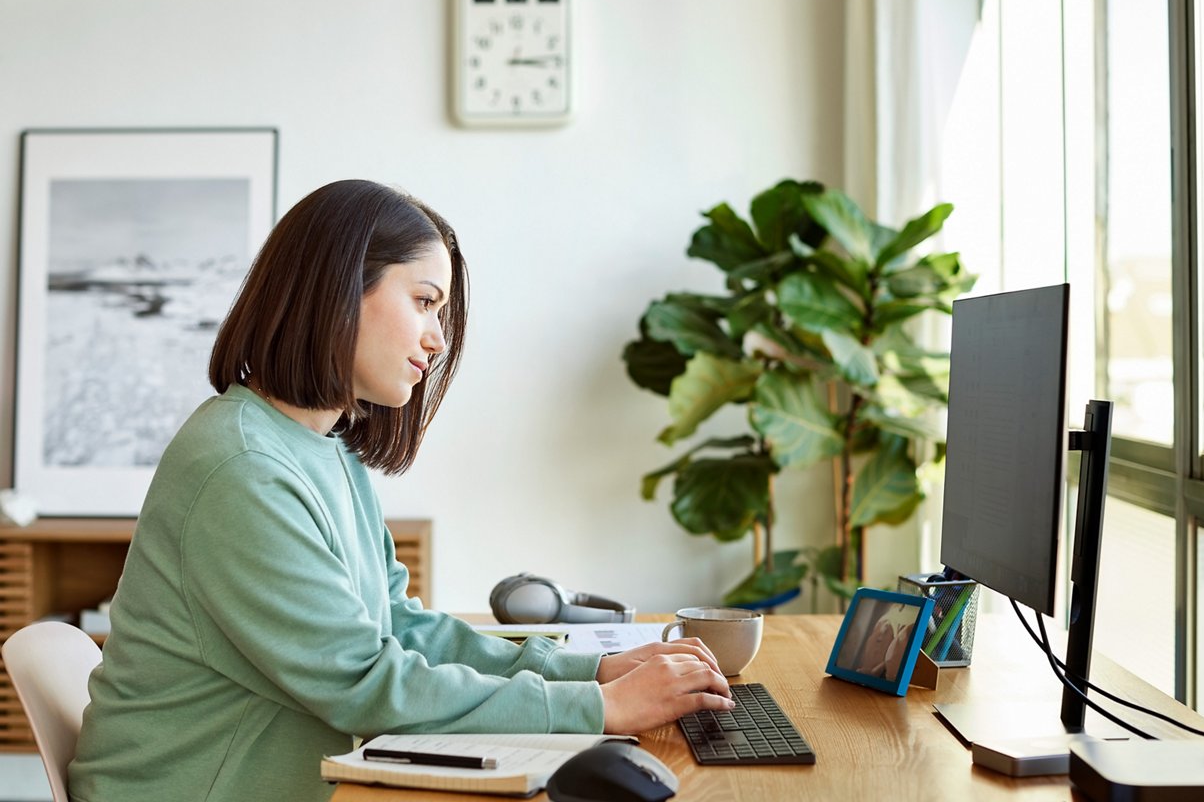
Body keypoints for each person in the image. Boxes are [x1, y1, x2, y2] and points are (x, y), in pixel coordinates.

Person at [68, 180, 733, 802]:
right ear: (337, 291)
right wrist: (600, 711)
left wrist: (587, 675)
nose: (438, 339)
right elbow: (363, 684)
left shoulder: (322, 451)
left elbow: (400, 629)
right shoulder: (242, 470)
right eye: (423, 302)